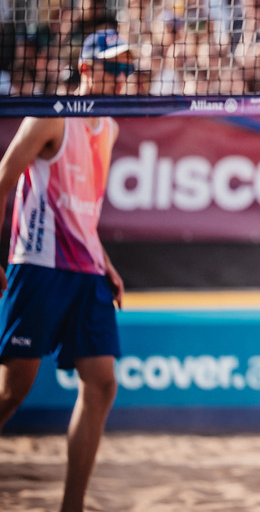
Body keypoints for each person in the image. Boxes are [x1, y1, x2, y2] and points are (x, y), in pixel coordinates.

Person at [0, 28, 135, 512]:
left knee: (101, 383)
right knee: (13, 391)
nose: (123, 78)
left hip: (86, 268)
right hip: (37, 266)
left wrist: (107, 262)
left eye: (126, 69)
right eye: (114, 67)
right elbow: (3, 181)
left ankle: (72, 507)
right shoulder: (48, 116)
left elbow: (85, 209)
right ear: (86, 68)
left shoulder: (112, 127)